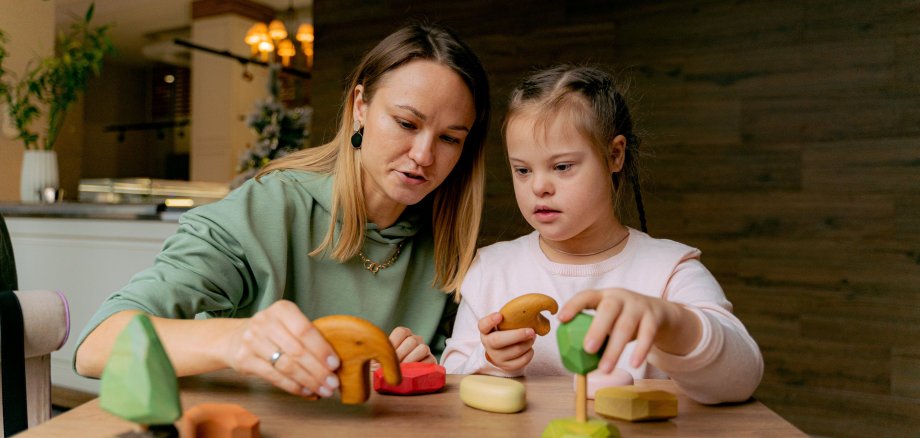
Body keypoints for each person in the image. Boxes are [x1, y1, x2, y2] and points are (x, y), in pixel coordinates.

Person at [75, 22, 491, 400]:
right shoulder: (266, 209)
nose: (423, 155)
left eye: (450, 139)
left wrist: (418, 366)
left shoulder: (449, 245)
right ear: (360, 107)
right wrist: (237, 340)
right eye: (406, 123)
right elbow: (97, 347)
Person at [440, 65, 763, 404]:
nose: (539, 187)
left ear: (614, 155)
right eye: (522, 170)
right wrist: (491, 361)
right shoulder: (491, 270)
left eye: (562, 167)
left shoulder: (669, 270)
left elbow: (742, 381)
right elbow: (451, 381)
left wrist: (673, 323)